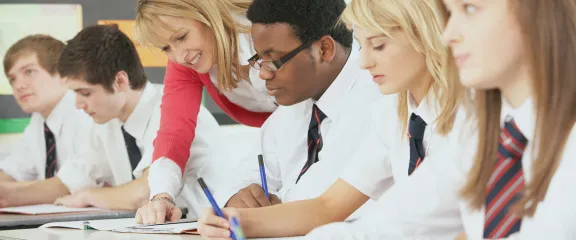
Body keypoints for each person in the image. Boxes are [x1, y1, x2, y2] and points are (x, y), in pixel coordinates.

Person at [196, 0, 468, 238]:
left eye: (379, 46)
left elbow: (447, 221)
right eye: (363, 46)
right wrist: (233, 221)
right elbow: (328, 206)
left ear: (426, 36)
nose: (364, 63)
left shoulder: (466, 114)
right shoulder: (391, 115)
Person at [306, 0, 576, 239]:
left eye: (470, 8)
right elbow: (391, 224)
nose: (447, 35)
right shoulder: (489, 137)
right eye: (449, 13)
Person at [46, 24, 225, 220]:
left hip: (206, 228)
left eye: (85, 93)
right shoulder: (105, 124)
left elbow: (142, 194)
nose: (78, 104)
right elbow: (73, 180)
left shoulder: (174, 110)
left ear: (120, 81)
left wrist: (89, 195)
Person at [133, 0, 278, 217]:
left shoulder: (270, 23)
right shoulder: (184, 65)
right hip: (284, 141)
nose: (180, 55)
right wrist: (162, 196)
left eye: (181, 37)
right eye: (166, 48)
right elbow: (174, 133)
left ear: (206, 14)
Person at [0, 35, 91, 207]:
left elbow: (72, 184)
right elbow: (15, 169)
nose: (18, 85)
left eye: (29, 72)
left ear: (62, 74)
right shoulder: (39, 120)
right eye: (12, 79)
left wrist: (9, 195)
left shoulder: (85, 111)